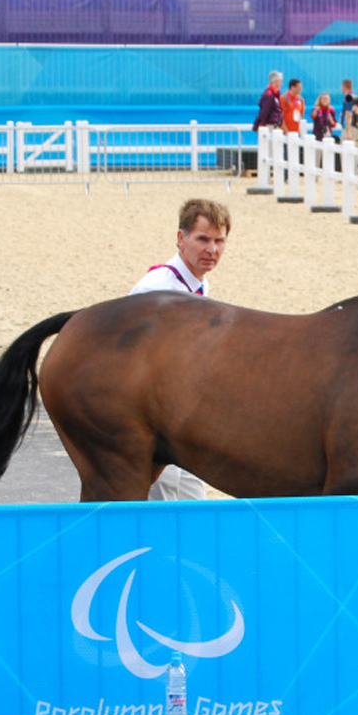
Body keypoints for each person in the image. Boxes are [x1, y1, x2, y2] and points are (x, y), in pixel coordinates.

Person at [129, 199, 231, 502]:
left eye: (219, 241)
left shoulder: (199, 286)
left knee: (193, 505)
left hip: (186, 424)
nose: (211, 250)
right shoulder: (158, 287)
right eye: (202, 239)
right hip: (156, 424)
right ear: (180, 238)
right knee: (166, 507)